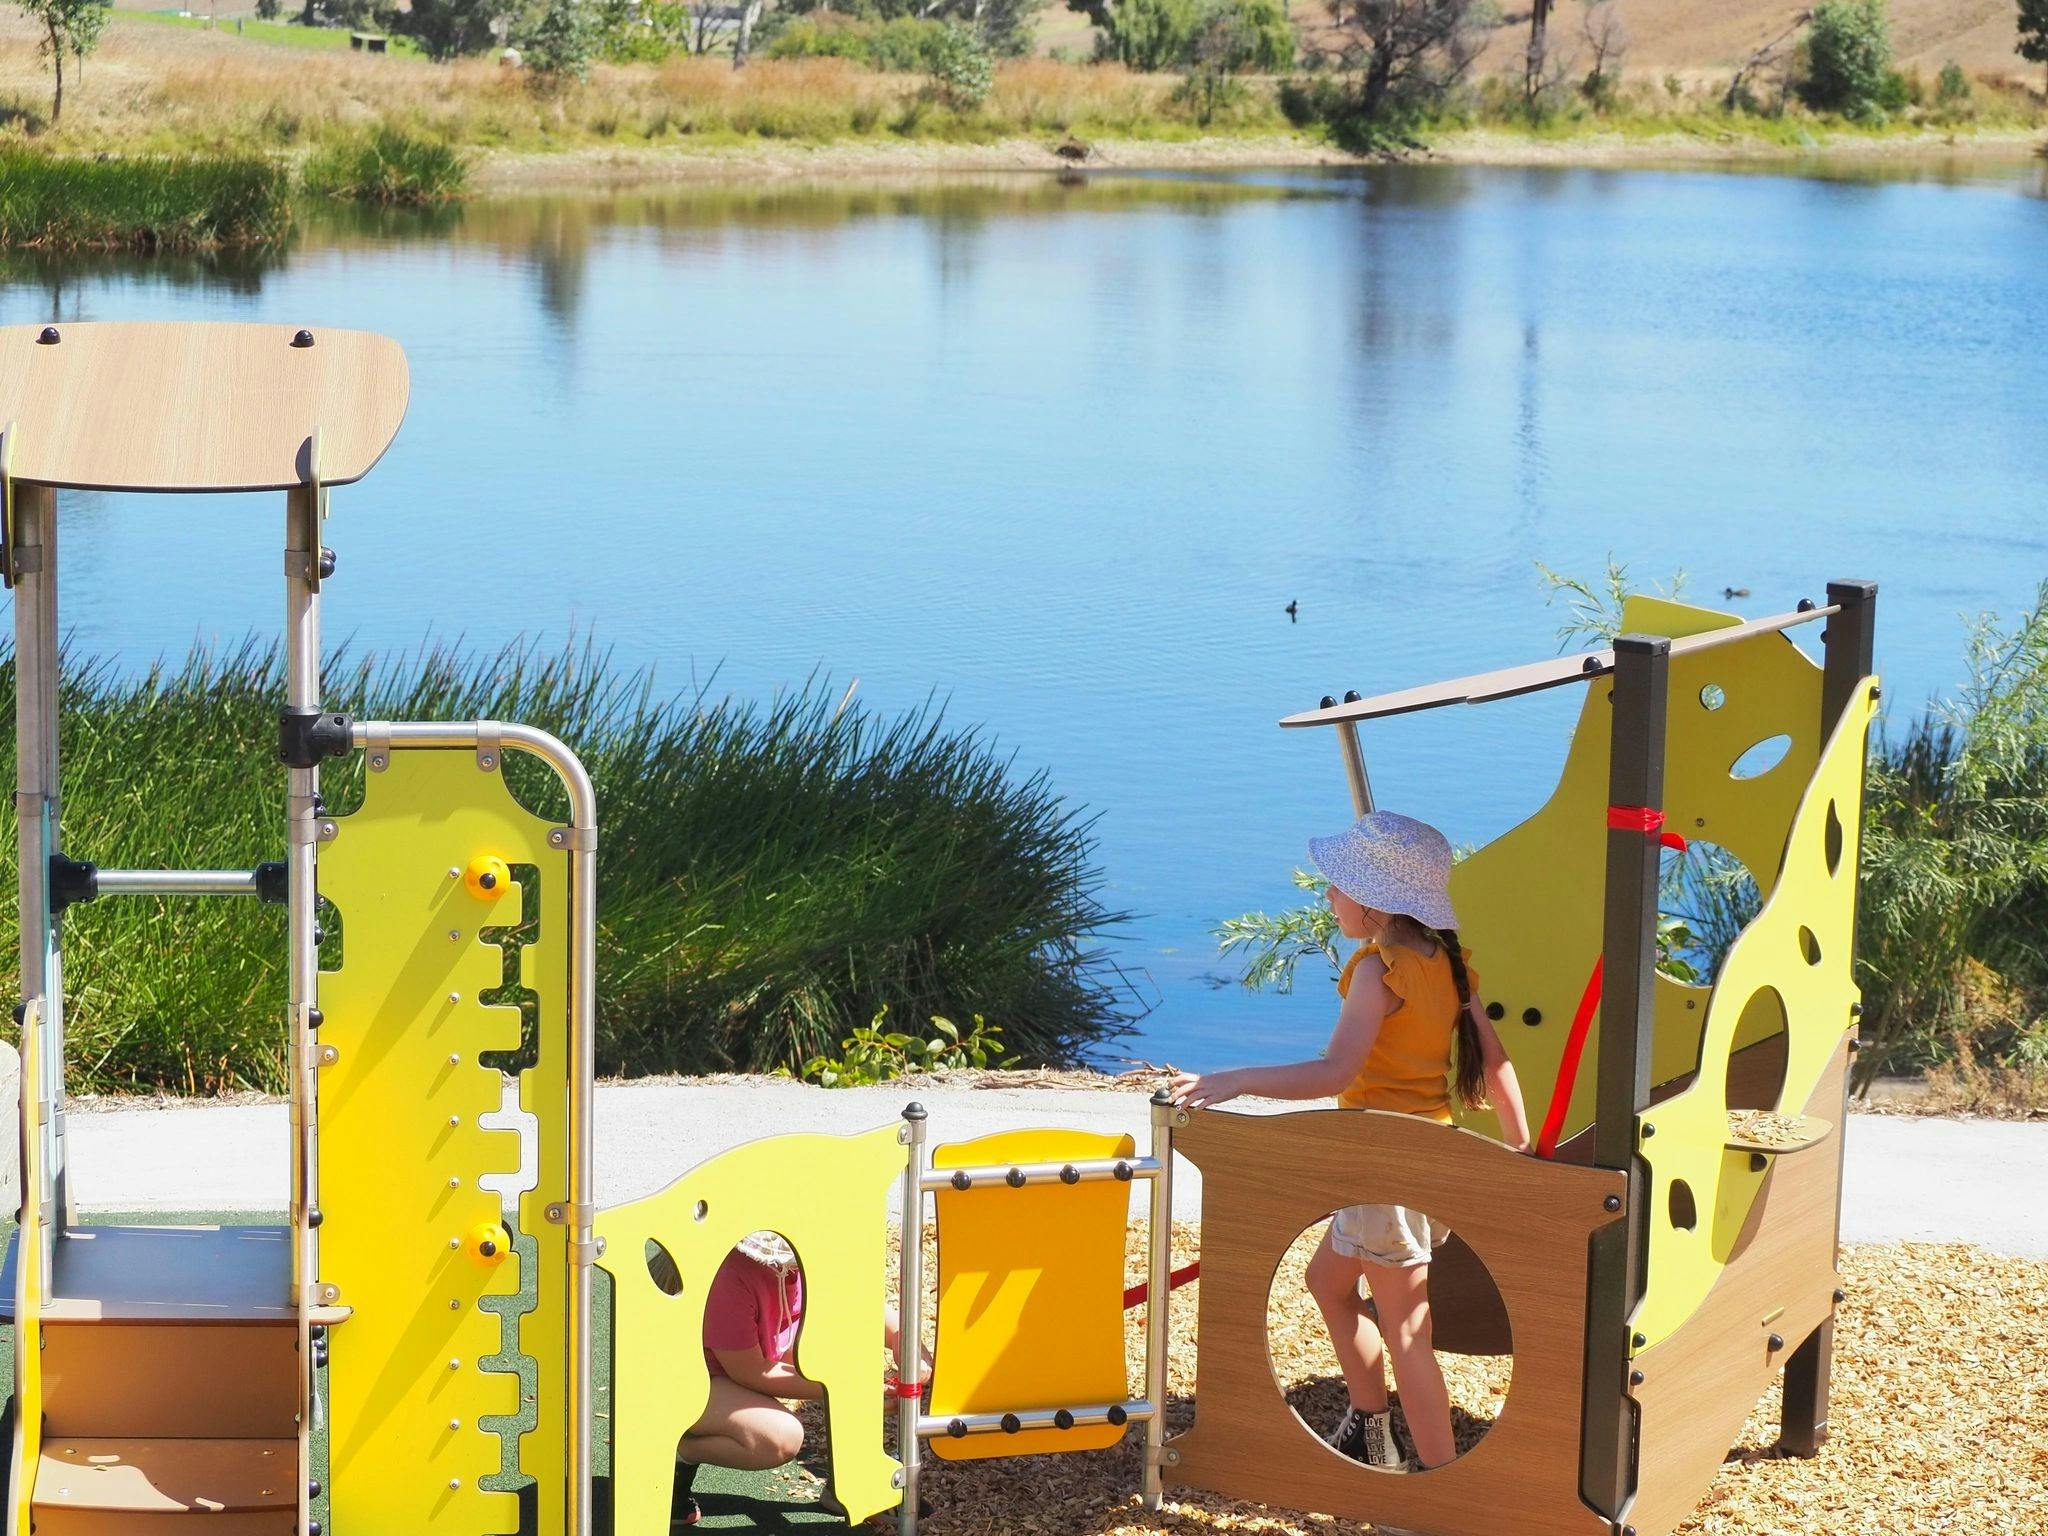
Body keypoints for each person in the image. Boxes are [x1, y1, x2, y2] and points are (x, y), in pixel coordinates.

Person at [1169, 810, 1531, 1475]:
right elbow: (1499, 1064)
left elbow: (1335, 1071)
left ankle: (1438, 1489)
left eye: (1335, 887)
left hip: (1382, 1169)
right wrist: (1521, 1152)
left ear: (1370, 902)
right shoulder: (1447, 962)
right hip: (1428, 1162)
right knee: (1326, 1282)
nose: (1328, 898)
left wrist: (1234, 1079)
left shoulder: (1378, 969)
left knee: (1408, 1335)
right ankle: (1372, 1432)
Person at [663, 1232, 923, 1528]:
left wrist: (904, 1341)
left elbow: (859, 1303)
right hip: (692, 1377)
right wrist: (844, 1390)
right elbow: (749, 1371)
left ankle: (848, 1485)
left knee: (849, 1357)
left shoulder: (806, 1252)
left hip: (746, 1362)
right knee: (779, 1437)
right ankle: (679, 1455)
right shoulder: (732, 1273)